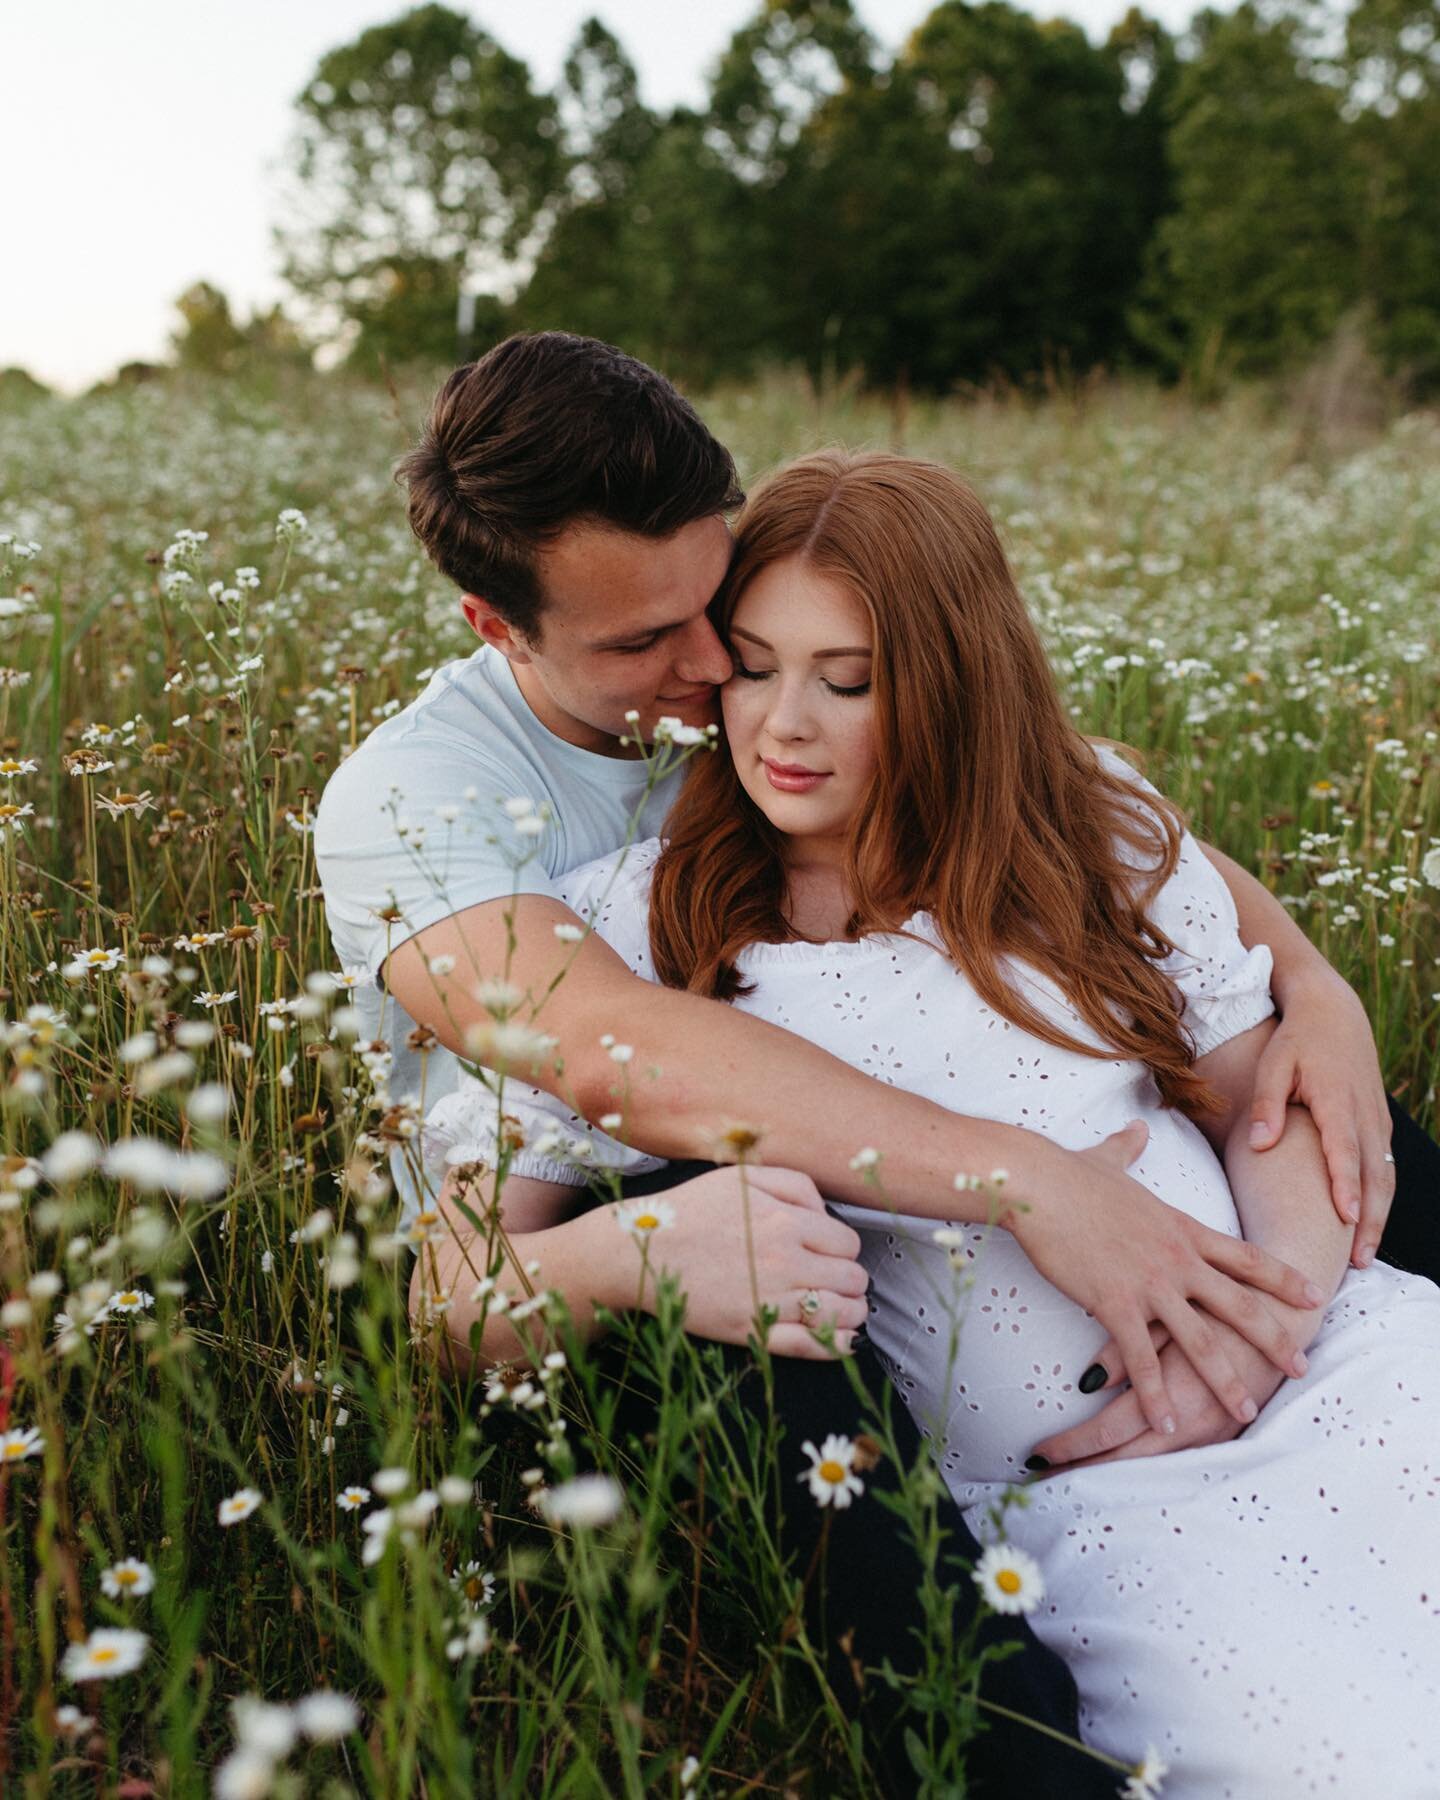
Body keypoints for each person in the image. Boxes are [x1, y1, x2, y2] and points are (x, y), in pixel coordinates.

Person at [313, 333, 1439, 1791]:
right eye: (681, 651)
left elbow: (1176, 915)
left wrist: (1319, 1004)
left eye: (811, 660)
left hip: (1310, 1361)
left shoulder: (1038, 807)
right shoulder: (441, 814)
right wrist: (1032, 1186)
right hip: (744, 1269)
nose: (728, 681)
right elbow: (611, 1071)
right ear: (498, 625)